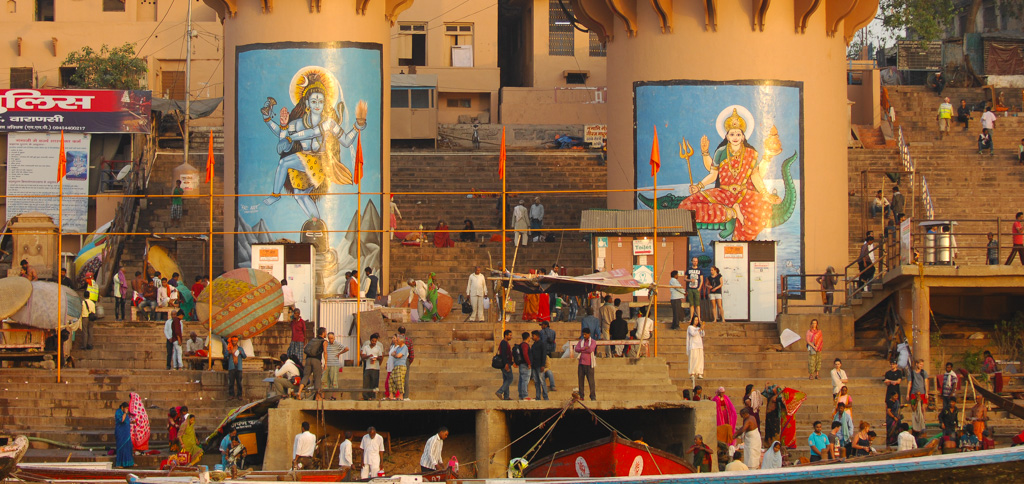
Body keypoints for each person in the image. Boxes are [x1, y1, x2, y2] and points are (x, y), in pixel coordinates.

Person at [298, 327, 327, 400]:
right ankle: (318, 396)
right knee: (317, 378)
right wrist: (325, 363)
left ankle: (299, 392)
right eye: (325, 332)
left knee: (305, 376)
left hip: (308, 359)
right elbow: (325, 352)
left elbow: (306, 348)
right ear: (323, 333)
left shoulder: (313, 340)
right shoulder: (324, 341)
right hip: (316, 360)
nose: (326, 333)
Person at [575, 327, 597, 400]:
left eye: (585, 334)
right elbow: (576, 349)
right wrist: (584, 348)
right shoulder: (581, 341)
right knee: (580, 381)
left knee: (591, 381)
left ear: (589, 334)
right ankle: (581, 396)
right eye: (583, 334)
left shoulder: (593, 341)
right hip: (581, 363)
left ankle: (593, 396)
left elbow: (591, 350)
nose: (584, 336)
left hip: (589, 364)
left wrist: (582, 349)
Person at [907, 358, 929, 432]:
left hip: (922, 392)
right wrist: (908, 394)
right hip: (914, 392)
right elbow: (909, 383)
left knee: (923, 408)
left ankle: (923, 422)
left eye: (922, 364)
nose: (921, 366)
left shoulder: (924, 373)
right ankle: (916, 423)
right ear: (917, 364)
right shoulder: (912, 373)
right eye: (920, 364)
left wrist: (926, 392)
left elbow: (926, 383)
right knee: (914, 408)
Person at [360, 334, 383, 401]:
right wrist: (369, 356)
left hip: (375, 368)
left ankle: (373, 397)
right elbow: (363, 356)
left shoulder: (378, 348)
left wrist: (376, 358)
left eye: (375, 341)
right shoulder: (366, 347)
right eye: (372, 341)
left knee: (374, 383)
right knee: (366, 383)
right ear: (370, 340)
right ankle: (366, 397)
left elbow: (381, 357)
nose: (374, 342)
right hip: (368, 367)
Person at [225, 334, 246, 400]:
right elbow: (225, 356)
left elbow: (245, 356)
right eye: (233, 341)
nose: (234, 342)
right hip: (231, 367)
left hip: (239, 367)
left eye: (235, 341)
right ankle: (231, 395)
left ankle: (239, 395)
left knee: (239, 382)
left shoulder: (240, 348)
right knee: (231, 382)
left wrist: (241, 353)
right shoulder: (229, 348)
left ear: (237, 341)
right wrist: (229, 352)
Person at [529, 331, 549, 400]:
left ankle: (545, 397)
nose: (532, 337)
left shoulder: (542, 344)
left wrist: (543, 365)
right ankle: (538, 397)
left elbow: (544, 355)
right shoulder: (534, 345)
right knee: (536, 382)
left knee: (542, 381)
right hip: (534, 366)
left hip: (540, 365)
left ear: (537, 336)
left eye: (533, 336)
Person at [114, 401, 135, 468]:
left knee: (128, 447)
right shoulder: (118, 412)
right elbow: (121, 420)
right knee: (121, 448)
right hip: (121, 433)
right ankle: (119, 464)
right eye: (126, 408)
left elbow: (126, 421)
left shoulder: (125, 414)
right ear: (122, 407)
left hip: (126, 433)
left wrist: (132, 422)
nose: (127, 410)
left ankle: (129, 463)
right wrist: (125, 413)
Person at [684, 257, 703, 324]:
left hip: (696, 288)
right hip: (690, 288)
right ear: (692, 261)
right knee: (691, 304)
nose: (695, 262)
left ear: (697, 262)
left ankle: (699, 318)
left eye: (696, 261)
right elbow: (685, 278)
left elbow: (701, 280)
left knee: (697, 304)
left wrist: (699, 288)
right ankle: (691, 318)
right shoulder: (689, 269)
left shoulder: (699, 270)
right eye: (694, 261)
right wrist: (689, 280)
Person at [496, 330, 514, 400]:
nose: (511, 336)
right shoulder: (504, 343)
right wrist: (506, 364)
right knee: (510, 378)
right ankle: (499, 392)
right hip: (505, 364)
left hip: (507, 363)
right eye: (510, 335)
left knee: (506, 379)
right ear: (506, 335)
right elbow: (503, 354)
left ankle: (506, 396)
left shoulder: (505, 343)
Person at [514, 332, 532, 400]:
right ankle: (524, 395)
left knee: (522, 380)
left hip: (522, 365)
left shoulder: (521, 345)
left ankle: (521, 395)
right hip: (525, 365)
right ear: (528, 337)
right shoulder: (525, 345)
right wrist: (529, 363)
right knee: (525, 380)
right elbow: (525, 354)